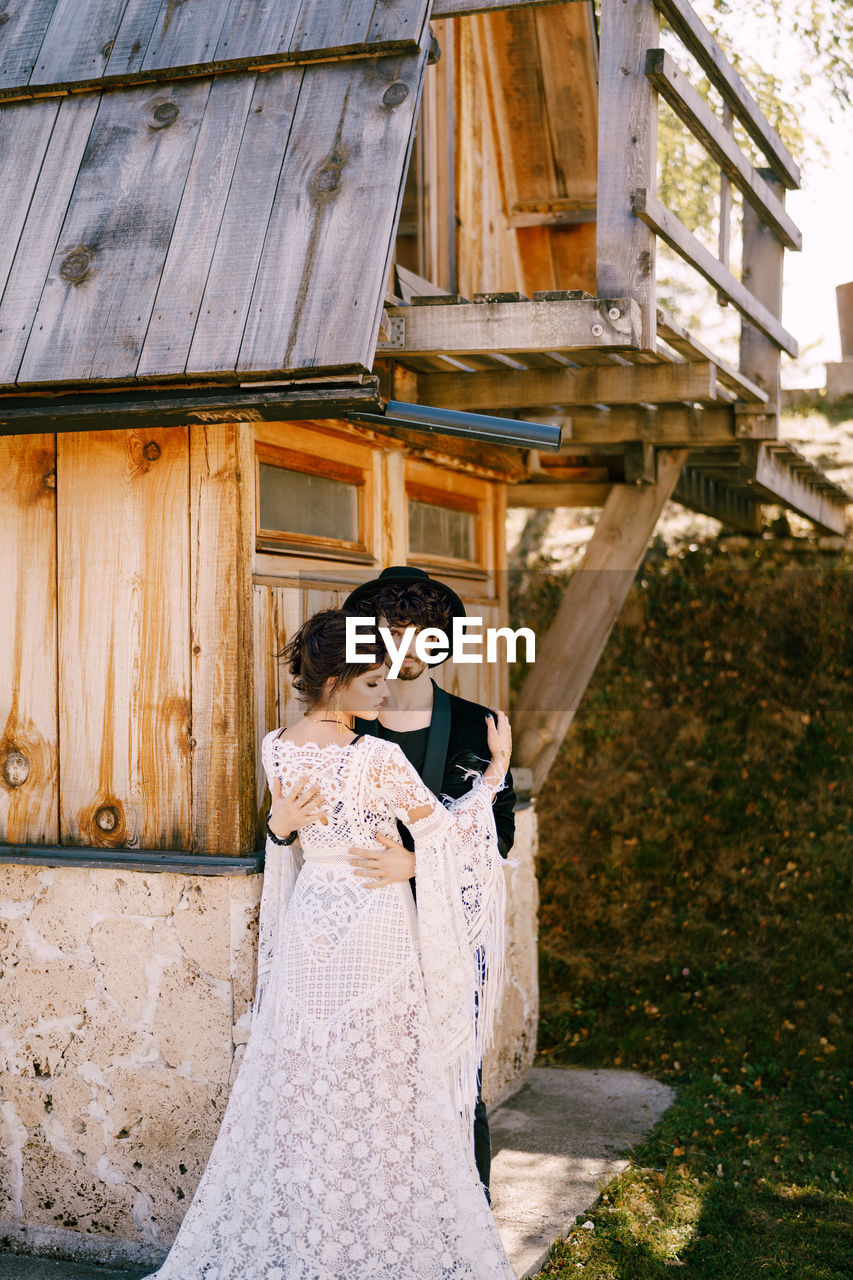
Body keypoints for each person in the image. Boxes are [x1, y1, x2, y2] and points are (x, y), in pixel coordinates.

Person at [143, 609, 515, 1280]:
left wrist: (278, 827)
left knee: (311, 1075)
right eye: (373, 683)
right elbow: (448, 835)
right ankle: (370, 1237)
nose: (383, 696)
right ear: (338, 681)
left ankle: (313, 1229)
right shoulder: (377, 757)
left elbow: (288, 832)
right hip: (372, 924)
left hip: (311, 921)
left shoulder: (273, 745)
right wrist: (492, 778)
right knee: (385, 1081)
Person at [342, 566, 516, 1199]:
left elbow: (500, 840)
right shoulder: (349, 721)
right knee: (372, 1082)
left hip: (445, 933)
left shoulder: (476, 727)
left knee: (453, 1077)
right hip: (365, 936)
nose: (405, 649)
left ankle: (467, 1213)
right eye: (391, 633)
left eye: (421, 634)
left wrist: (421, 864)